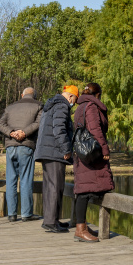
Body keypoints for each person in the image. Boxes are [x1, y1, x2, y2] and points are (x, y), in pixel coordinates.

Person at [72, 82, 113, 243]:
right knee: (84, 191)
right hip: (91, 152)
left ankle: (81, 226)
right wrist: (104, 149)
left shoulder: (81, 106)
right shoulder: (91, 106)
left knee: (84, 187)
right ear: (98, 95)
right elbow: (95, 129)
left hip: (83, 152)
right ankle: (80, 229)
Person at [35, 85, 78, 233]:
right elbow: (59, 128)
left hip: (46, 150)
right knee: (55, 187)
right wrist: (66, 149)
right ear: (71, 96)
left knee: (50, 187)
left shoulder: (51, 105)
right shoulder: (62, 106)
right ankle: (50, 222)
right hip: (54, 151)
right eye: (75, 100)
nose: (74, 103)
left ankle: (52, 219)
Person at [0, 87, 42, 222]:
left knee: (10, 180)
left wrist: (11, 132)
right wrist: (24, 132)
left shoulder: (10, 107)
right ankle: (26, 214)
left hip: (11, 146)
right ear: (34, 95)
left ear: (22, 95)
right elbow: (39, 123)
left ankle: (11, 214)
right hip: (26, 145)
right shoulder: (39, 106)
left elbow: (0, 124)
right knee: (26, 179)